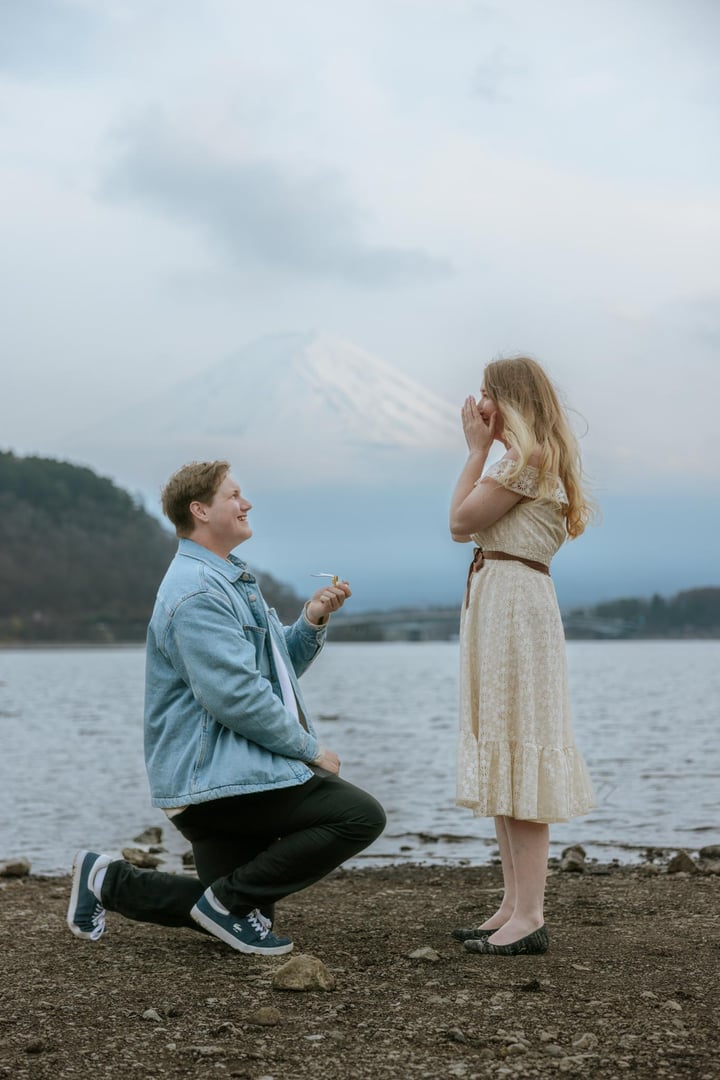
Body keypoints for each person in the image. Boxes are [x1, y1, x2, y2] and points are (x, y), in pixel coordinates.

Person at [67, 460, 386, 956]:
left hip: (226, 775)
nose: (246, 503)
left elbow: (270, 672)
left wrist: (311, 620)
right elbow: (235, 695)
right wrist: (309, 750)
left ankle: (107, 881)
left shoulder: (226, 579)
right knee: (359, 816)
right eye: (234, 495)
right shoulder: (196, 591)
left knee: (236, 910)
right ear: (200, 510)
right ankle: (223, 904)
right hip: (217, 780)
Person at [448, 356, 595, 956]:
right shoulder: (526, 461)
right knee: (505, 747)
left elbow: (460, 522)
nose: (478, 404)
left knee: (520, 742)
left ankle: (530, 914)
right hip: (501, 606)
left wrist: (475, 450)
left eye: (487, 393)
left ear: (509, 399)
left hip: (514, 610)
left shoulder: (527, 462)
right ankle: (513, 904)